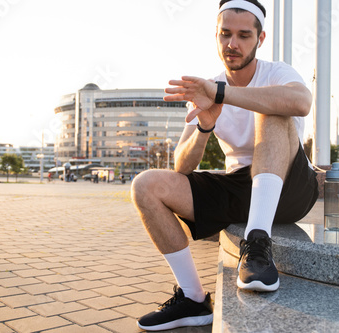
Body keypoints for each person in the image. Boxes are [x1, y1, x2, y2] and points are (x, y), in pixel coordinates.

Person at [131, 0, 318, 330]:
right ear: (216, 36)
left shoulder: (277, 72)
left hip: (288, 186)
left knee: (272, 109)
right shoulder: (208, 88)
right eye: (225, 34)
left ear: (260, 39)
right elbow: (181, 166)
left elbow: (301, 102)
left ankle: (257, 244)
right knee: (146, 185)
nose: (233, 44)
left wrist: (222, 94)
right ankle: (193, 298)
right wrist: (205, 126)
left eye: (244, 35)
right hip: (239, 187)